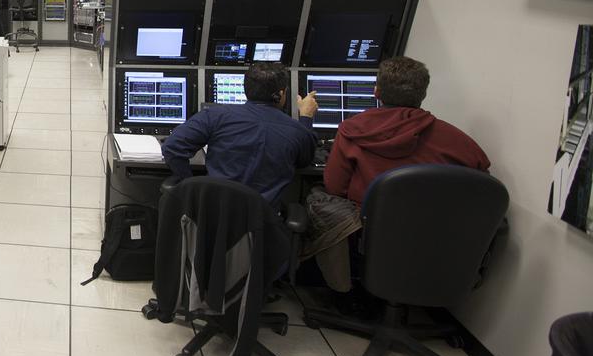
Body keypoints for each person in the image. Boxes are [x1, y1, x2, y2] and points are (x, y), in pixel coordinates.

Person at [303, 56, 491, 300]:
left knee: (316, 196)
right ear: (422, 94)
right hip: (438, 237)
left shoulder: (353, 130)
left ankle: (342, 289)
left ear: (376, 91)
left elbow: (335, 187)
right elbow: (481, 187)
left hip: (370, 234)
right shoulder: (458, 141)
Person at [160, 62, 319, 204]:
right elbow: (305, 160)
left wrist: (192, 187)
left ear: (246, 89)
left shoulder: (216, 115)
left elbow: (172, 147)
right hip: (263, 223)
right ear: (281, 93)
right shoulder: (297, 131)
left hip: (213, 216)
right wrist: (305, 116)